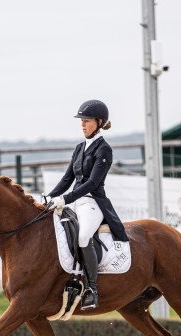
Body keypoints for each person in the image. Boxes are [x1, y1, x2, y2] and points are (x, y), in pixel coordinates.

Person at [44, 99, 129, 310]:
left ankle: (92, 289)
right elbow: (66, 179)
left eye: (87, 120)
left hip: (93, 203)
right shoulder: (80, 148)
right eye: (81, 120)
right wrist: (48, 197)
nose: (82, 124)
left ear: (99, 122)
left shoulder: (104, 150)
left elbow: (92, 183)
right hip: (74, 201)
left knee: (83, 236)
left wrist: (65, 199)